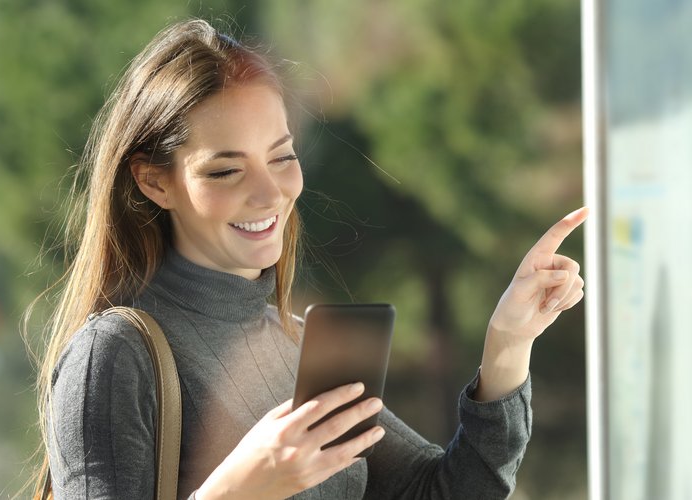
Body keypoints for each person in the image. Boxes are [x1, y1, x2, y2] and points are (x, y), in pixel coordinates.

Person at [32, 19, 587, 500]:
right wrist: (236, 490)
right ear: (154, 181)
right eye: (225, 170)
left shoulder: (301, 345)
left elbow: (449, 493)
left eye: (282, 157)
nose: (268, 193)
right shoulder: (112, 355)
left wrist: (508, 346)